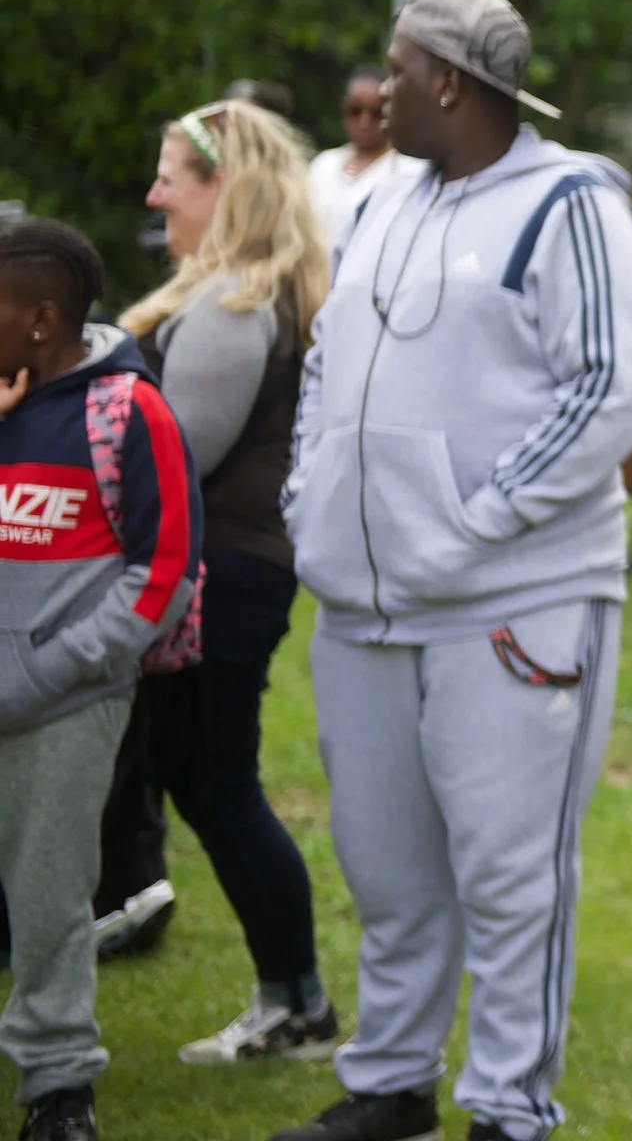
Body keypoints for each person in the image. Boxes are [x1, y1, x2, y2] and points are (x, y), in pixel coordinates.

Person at [273, 0, 632, 1141]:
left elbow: (611, 387)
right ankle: (391, 1085)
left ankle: (507, 1108)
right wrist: (311, 497)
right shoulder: (382, 201)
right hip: (364, 607)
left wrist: (476, 517)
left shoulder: (572, 203)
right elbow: (324, 365)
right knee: (387, 871)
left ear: (447, 77)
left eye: (394, 68)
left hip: (515, 603)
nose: (378, 89)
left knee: (510, 878)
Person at [119, 99, 338, 1064]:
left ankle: (299, 1009)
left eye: (174, 175)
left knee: (221, 786)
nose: (155, 192)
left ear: (228, 189)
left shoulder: (235, 300)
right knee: (206, 784)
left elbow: (176, 456)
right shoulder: (243, 290)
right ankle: (294, 1002)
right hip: (235, 570)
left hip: (223, 577)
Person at [0, 218, 204, 1141]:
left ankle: (57, 1088)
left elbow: (164, 572)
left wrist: (52, 667)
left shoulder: (128, 411)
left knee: (49, 895)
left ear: (42, 318)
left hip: (65, 704)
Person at [305, 69, 415, 244]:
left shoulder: (408, 170)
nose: (364, 122)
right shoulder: (323, 165)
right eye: (355, 111)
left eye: (376, 112)